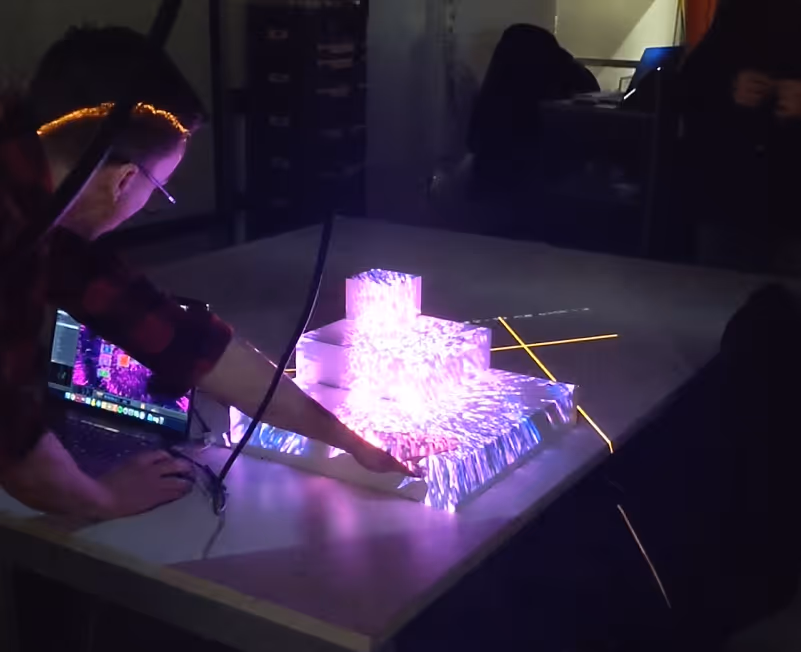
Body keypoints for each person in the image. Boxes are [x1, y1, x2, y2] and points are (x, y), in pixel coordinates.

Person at [0, 26, 411, 522]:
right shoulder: (12, 241)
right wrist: (103, 500)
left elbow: (182, 340)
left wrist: (348, 440)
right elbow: (11, 438)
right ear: (126, 179)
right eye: (161, 188)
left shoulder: (45, 215)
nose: (146, 203)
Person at [681, 0, 801, 273]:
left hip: (789, 196)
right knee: (720, 300)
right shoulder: (742, 9)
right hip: (735, 193)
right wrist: (730, 85)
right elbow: (693, 83)